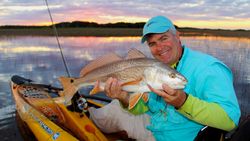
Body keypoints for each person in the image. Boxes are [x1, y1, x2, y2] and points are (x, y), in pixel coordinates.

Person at [101, 15, 241, 141]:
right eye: (152, 43)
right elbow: (144, 108)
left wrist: (183, 102)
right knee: (108, 110)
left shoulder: (208, 68)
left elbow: (230, 120)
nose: (159, 47)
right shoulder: (157, 68)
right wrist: (123, 98)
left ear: (177, 36)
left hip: (181, 137)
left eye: (164, 38)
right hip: (155, 126)